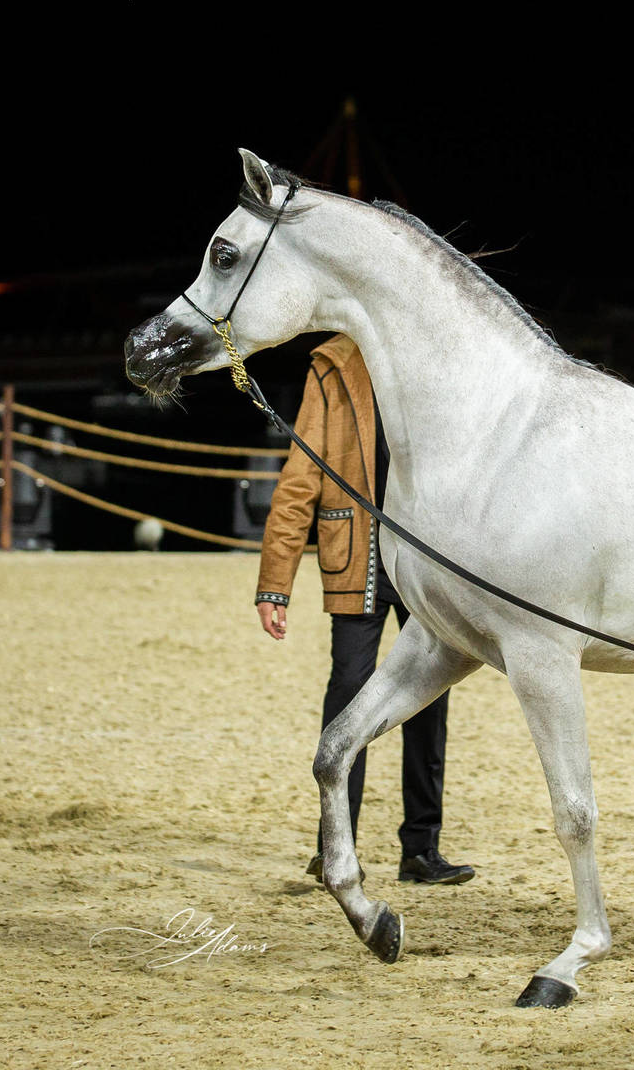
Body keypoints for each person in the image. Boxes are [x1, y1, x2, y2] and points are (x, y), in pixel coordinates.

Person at [256, 333, 475, 886]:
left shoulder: (432, 349)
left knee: (428, 703)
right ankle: (334, 845)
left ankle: (421, 850)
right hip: (358, 556)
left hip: (425, 562)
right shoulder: (332, 366)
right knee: (349, 694)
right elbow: (301, 476)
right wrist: (274, 583)